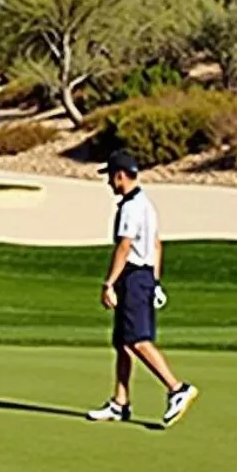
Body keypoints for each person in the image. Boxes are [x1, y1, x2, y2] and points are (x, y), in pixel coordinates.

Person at [87, 150, 199, 428]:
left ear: (120, 176)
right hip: (145, 275)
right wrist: (156, 281)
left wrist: (109, 283)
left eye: (111, 177)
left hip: (133, 277)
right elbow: (157, 244)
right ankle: (119, 403)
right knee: (123, 342)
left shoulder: (130, 208)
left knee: (137, 340)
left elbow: (124, 246)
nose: (109, 184)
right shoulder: (146, 205)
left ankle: (176, 388)